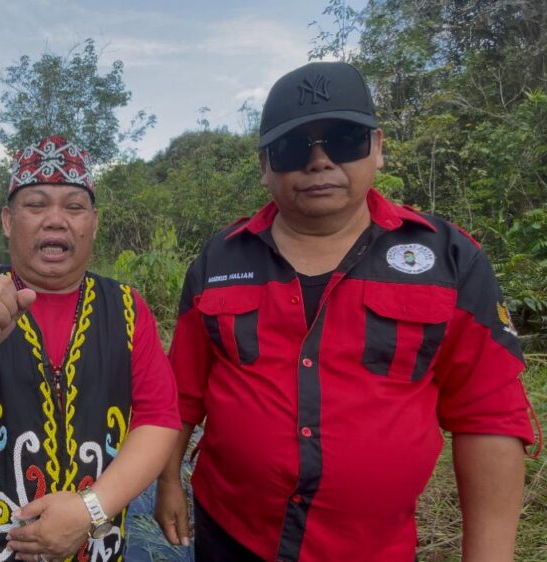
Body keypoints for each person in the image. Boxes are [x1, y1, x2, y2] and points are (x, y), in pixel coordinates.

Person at [154, 61, 537, 562]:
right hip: (230, 536)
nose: (319, 163)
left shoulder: (449, 260)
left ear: (377, 148)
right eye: (293, 148)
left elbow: (488, 418)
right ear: (265, 166)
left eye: (343, 140)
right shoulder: (219, 259)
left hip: (372, 549)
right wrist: (168, 483)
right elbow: (181, 395)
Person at [0, 135, 181, 562]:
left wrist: (90, 509)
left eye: (74, 207)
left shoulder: (128, 309)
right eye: (37, 205)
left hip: (97, 548)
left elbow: (158, 419)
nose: (56, 220)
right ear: (8, 220)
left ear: (93, 223)